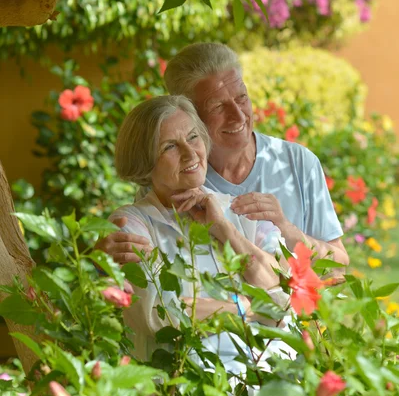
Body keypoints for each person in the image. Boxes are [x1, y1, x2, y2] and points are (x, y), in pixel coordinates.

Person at [100, 43, 349, 271]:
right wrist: (102, 257)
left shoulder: (297, 162)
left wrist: (286, 229)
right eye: (218, 107)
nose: (239, 117)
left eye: (242, 98)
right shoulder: (177, 176)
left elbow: (337, 266)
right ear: (189, 114)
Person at [110, 95, 291, 364]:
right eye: (170, 146)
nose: (190, 152)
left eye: (193, 137)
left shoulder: (244, 210)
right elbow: (161, 315)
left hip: (260, 386)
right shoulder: (132, 224)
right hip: (179, 391)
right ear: (145, 162)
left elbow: (285, 298)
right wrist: (245, 306)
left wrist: (224, 230)